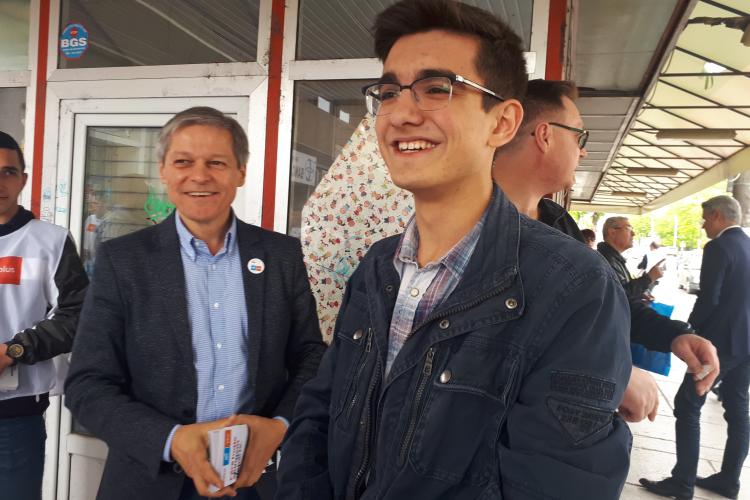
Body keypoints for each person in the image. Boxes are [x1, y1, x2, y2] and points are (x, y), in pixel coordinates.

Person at [276, 2, 633, 498]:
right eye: (388, 92)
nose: (401, 113)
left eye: (437, 88)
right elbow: (318, 413)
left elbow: (558, 482)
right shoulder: (378, 266)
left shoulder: (574, 288)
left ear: (503, 122)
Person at [65, 108, 326, 500]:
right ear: (163, 171)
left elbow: (311, 356)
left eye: (216, 163)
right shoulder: (123, 261)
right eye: (183, 162)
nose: (200, 176)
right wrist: (170, 438)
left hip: (254, 481)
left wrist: (280, 425)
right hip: (150, 481)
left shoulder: (282, 256)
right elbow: (87, 385)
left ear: (240, 171)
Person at [492, 79, 719, 423]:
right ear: (545, 135)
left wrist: (675, 335)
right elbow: (488, 343)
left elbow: (604, 305)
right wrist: (608, 376)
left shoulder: (559, 223)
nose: (583, 152)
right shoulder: (471, 225)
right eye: (580, 137)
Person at [641, 195, 750, 500]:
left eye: (705, 218)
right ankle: (729, 479)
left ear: (716, 216)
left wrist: (689, 331)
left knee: (688, 404)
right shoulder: (748, 245)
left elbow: (709, 298)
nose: (703, 225)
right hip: (746, 344)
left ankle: (682, 481)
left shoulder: (718, 247)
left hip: (719, 343)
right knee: (738, 408)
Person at [0, 131, 89, 499]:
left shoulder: (50, 241)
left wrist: (14, 350)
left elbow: (77, 314)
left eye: (8, 172)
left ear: (23, 179)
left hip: (13, 419)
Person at [598, 216, 664, 299]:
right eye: (628, 228)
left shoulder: (613, 258)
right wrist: (649, 278)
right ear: (612, 232)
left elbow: (623, 287)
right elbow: (619, 296)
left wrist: (639, 294)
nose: (633, 234)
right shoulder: (606, 260)